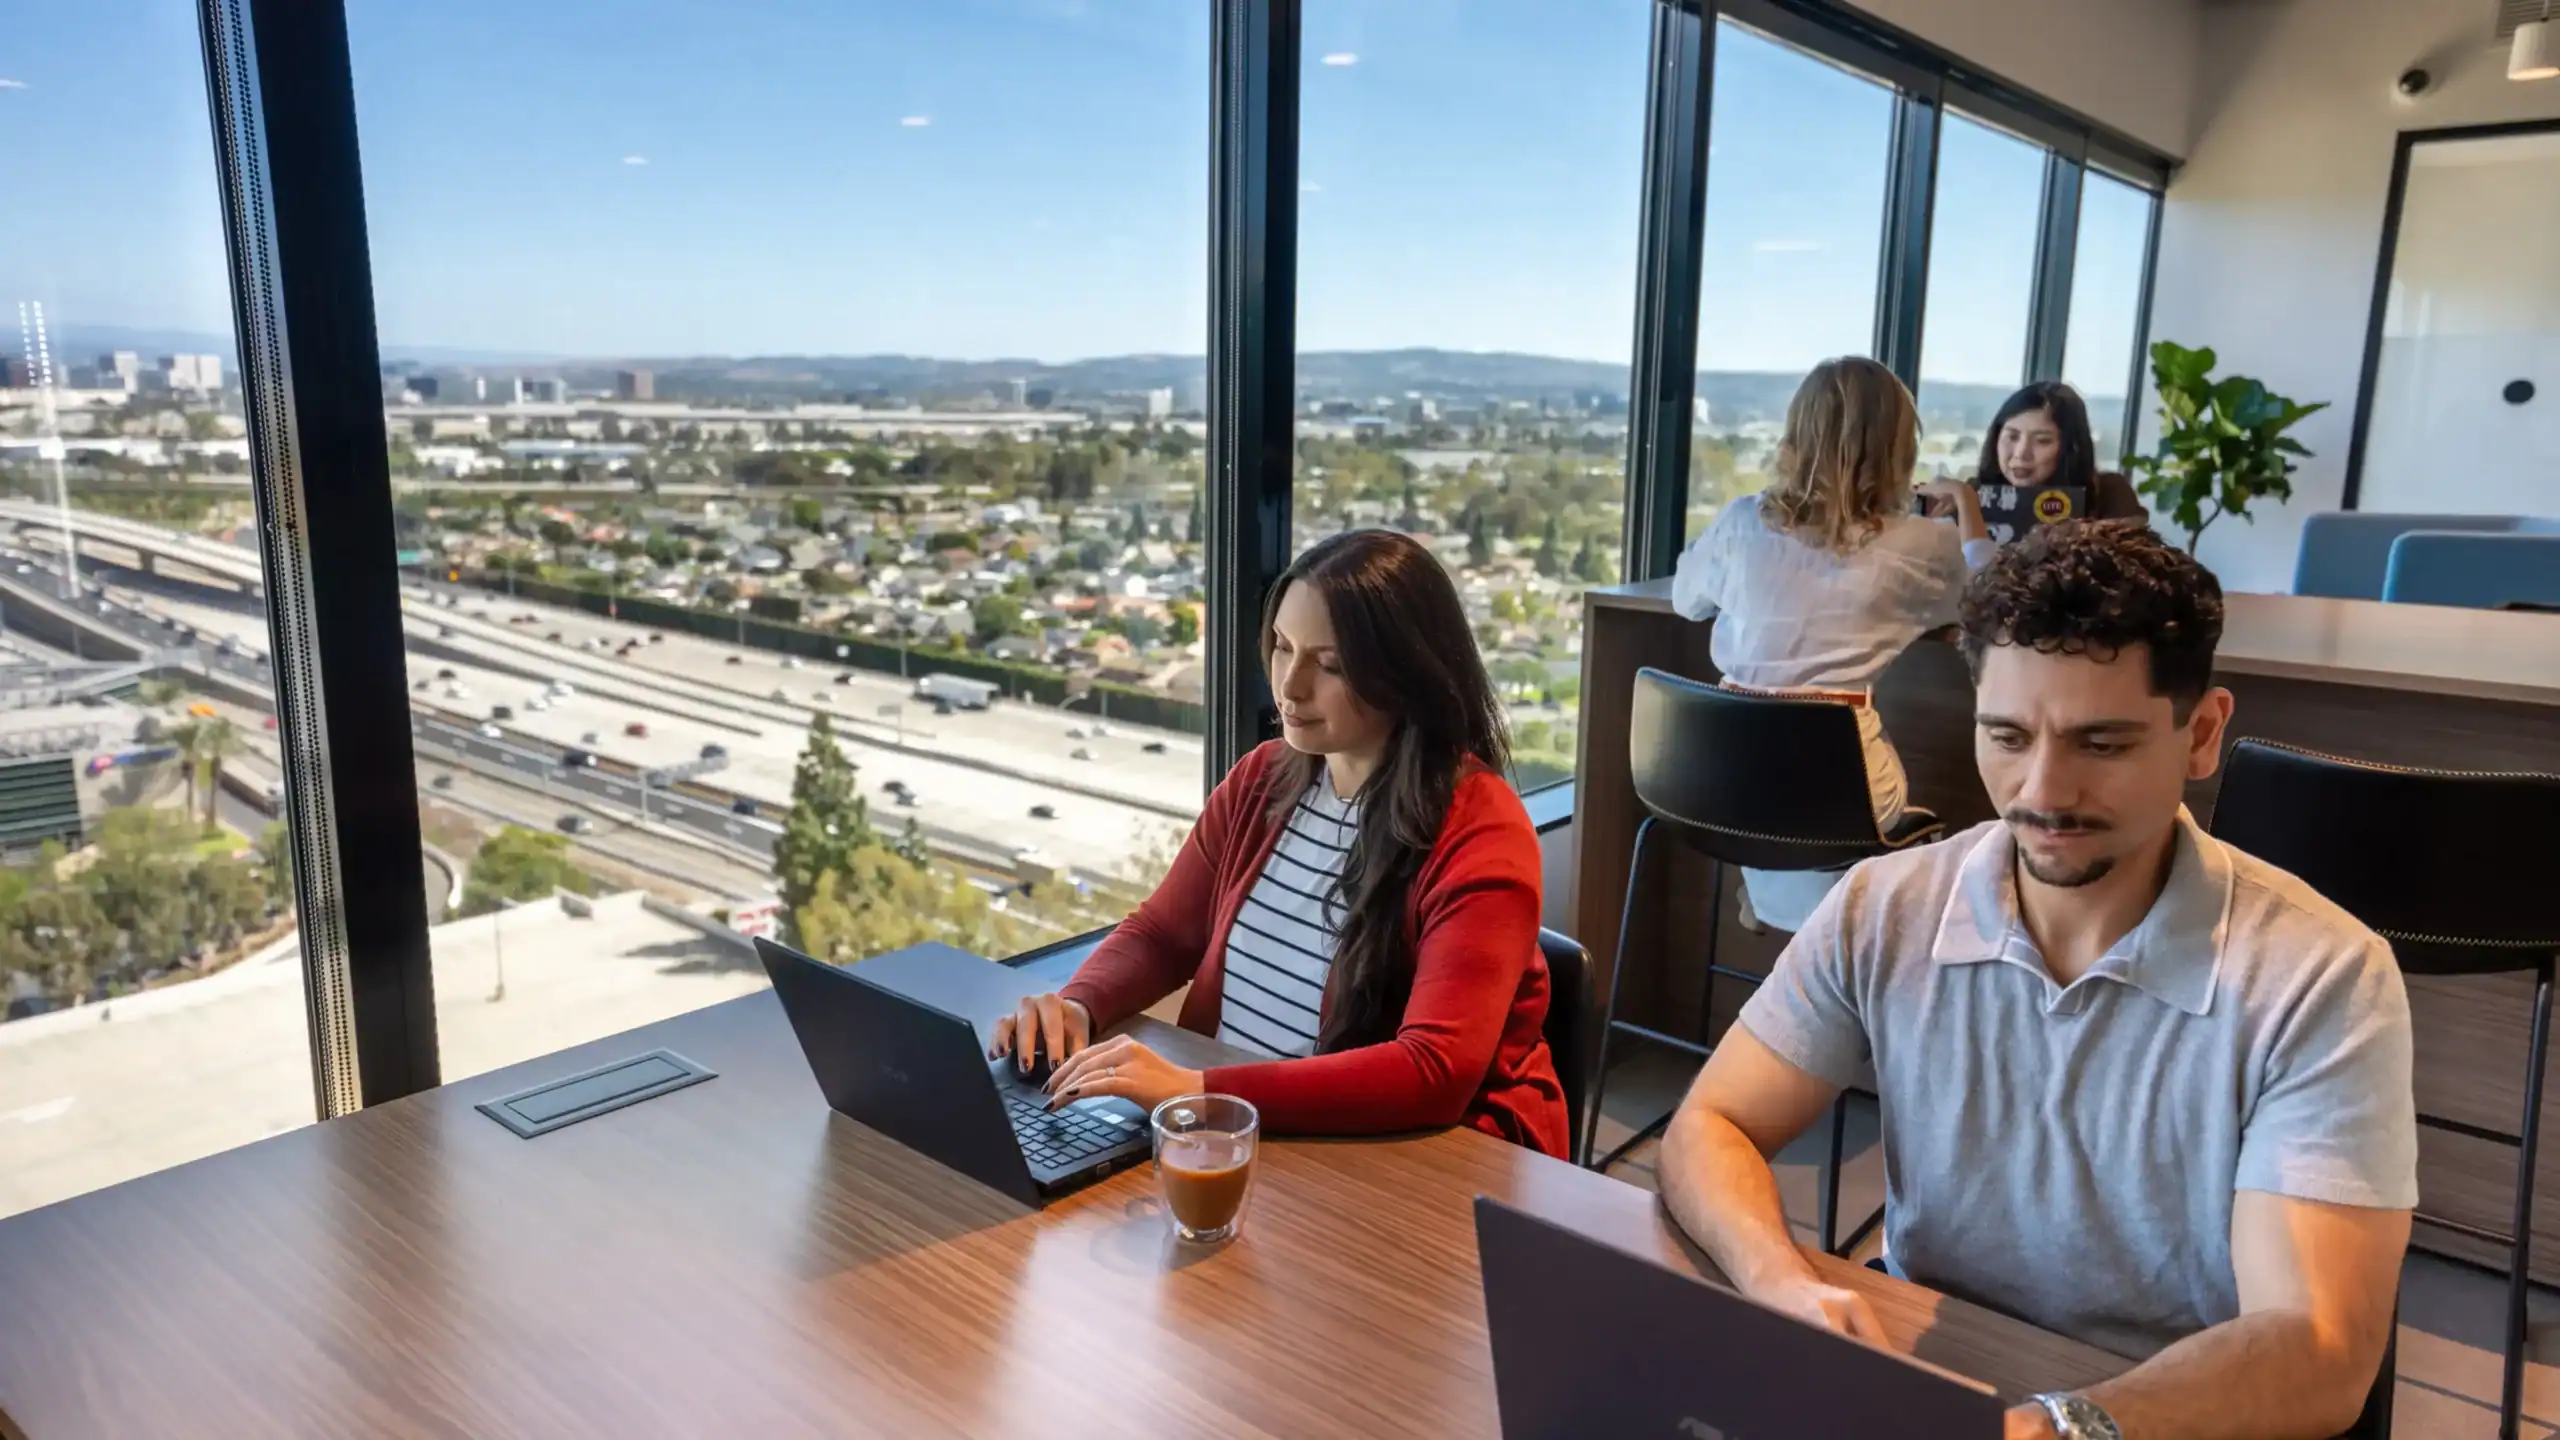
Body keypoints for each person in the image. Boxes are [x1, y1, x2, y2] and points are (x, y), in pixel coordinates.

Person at [1655, 520, 2415, 1440]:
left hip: (2175, 1414)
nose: (2043, 793)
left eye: (2103, 744)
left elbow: (2317, 1352)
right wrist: (1778, 1282)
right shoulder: (1885, 906)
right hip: (1938, 1371)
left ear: (2204, 733)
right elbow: (1712, 1124)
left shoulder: (2319, 977)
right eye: (2008, 736)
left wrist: (2055, 1429)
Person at [992, 528, 1568, 1158]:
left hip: (1420, 1159)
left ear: (1407, 673)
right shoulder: (1261, 780)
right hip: (1250, 1133)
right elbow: (1164, 934)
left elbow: (1434, 1069)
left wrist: (1198, 1093)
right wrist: (1078, 1006)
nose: (1290, 686)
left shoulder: (1481, 829)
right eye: (1283, 647)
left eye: (1331, 665)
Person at [1670, 355, 1996, 932]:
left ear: (1795, 437)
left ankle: (1776, 904)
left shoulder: (1742, 521)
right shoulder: (1925, 545)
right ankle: (1824, 932)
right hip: (1841, 796)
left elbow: (1685, 601)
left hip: (1717, 788)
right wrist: (1967, 507)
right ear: (1899, 447)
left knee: (1791, 796)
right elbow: (1996, 599)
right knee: (1891, 815)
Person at [1968, 381, 2147, 541]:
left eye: (2042, 441)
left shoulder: (2108, 492)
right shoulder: (1972, 494)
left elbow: (2140, 557)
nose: (2021, 453)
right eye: (2012, 437)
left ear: (2071, 447)